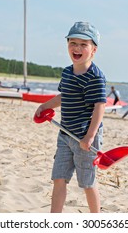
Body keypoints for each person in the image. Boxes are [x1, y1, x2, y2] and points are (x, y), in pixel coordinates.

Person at [34, 21, 107, 213]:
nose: (77, 48)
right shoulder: (67, 72)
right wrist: (45, 105)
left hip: (84, 137)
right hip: (65, 134)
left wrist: (90, 136)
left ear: (94, 50)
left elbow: (100, 107)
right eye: (73, 43)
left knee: (87, 182)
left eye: (84, 44)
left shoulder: (95, 77)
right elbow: (63, 96)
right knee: (59, 178)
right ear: (67, 45)